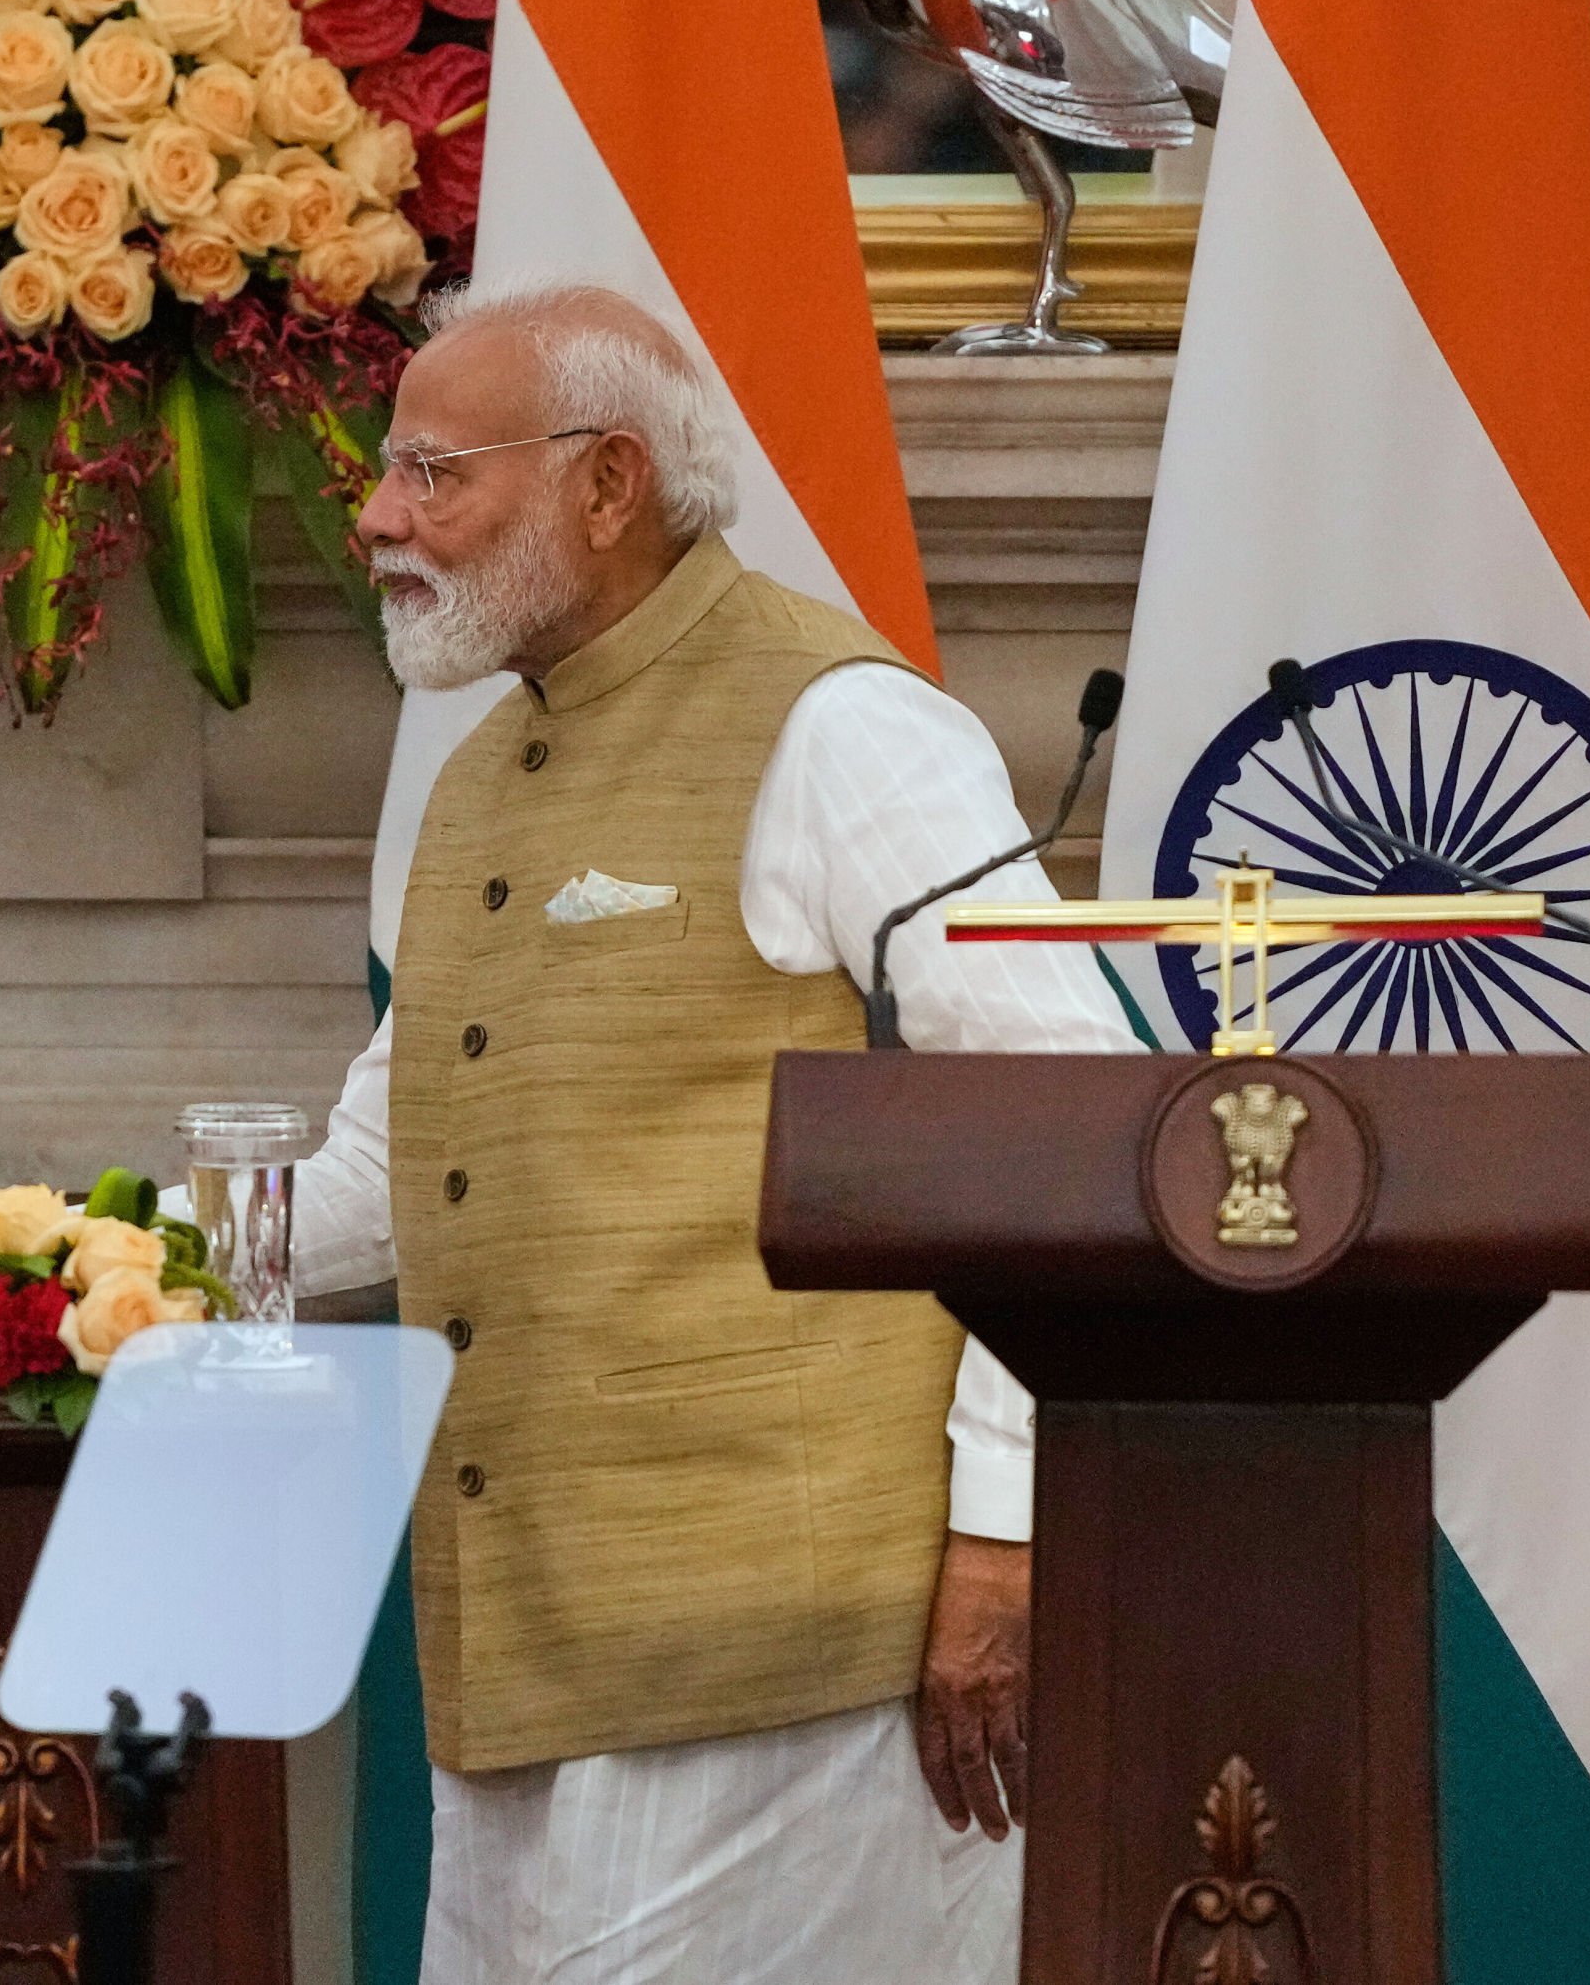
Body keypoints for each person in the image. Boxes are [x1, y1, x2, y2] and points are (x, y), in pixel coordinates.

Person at [295, 280, 1128, 1983]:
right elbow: (384, 1180)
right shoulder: (476, 774)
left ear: (607, 485)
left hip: (788, 1660)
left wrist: (1004, 1536)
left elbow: (1066, 1116)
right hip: (526, 1647)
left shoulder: (840, 722)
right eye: (387, 470)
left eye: (435, 473)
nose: (377, 515)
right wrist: (44, 1257)